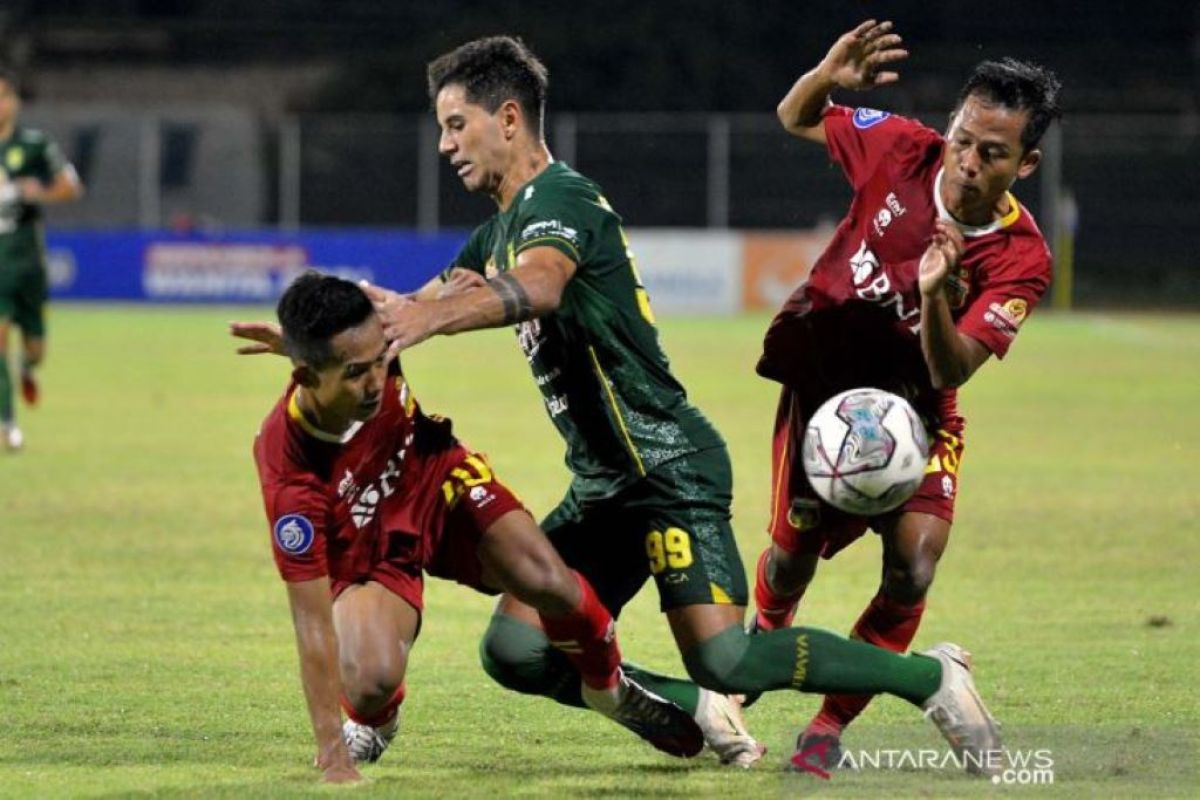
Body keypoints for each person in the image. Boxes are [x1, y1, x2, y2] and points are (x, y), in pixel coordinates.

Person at [311, 34, 1002, 773]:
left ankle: (930, 678)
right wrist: (321, 333)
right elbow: (413, 306)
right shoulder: (499, 229)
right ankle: (686, 706)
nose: (446, 144)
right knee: (514, 650)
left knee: (729, 659)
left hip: (669, 467)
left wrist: (428, 319)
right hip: (607, 487)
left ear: (508, 119)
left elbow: (540, 286)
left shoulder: (562, 199)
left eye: (456, 124)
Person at [246, 272, 708, 784]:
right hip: (367, 550)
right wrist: (331, 750)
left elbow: (434, 297)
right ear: (307, 376)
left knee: (548, 580)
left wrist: (464, 285)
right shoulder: (291, 473)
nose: (376, 381)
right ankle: (374, 722)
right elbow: (311, 624)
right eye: (356, 373)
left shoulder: (373, 336)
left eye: (381, 360)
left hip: (436, 480)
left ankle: (611, 691)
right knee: (371, 679)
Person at [746, 20, 1060, 769]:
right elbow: (793, 117)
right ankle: (762, 639)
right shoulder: (900, 146)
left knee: (913, 565)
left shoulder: (1022, 257)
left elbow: (952, 372)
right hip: (824, 383)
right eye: (963, 139)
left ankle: (826, 731)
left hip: (919, 407)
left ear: (1026, 163)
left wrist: (936, 298)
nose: (967, 162)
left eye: (993, 153)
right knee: (791, 560)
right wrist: (826, 75)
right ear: (948, 128)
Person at [0, 66, 84, 451]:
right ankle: (7, 425)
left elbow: (71, 188)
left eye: (3, 95)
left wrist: (31, 192)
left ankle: (28, 367)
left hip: (28, 264)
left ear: (15, 101)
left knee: (35, 348)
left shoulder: (33, 146)